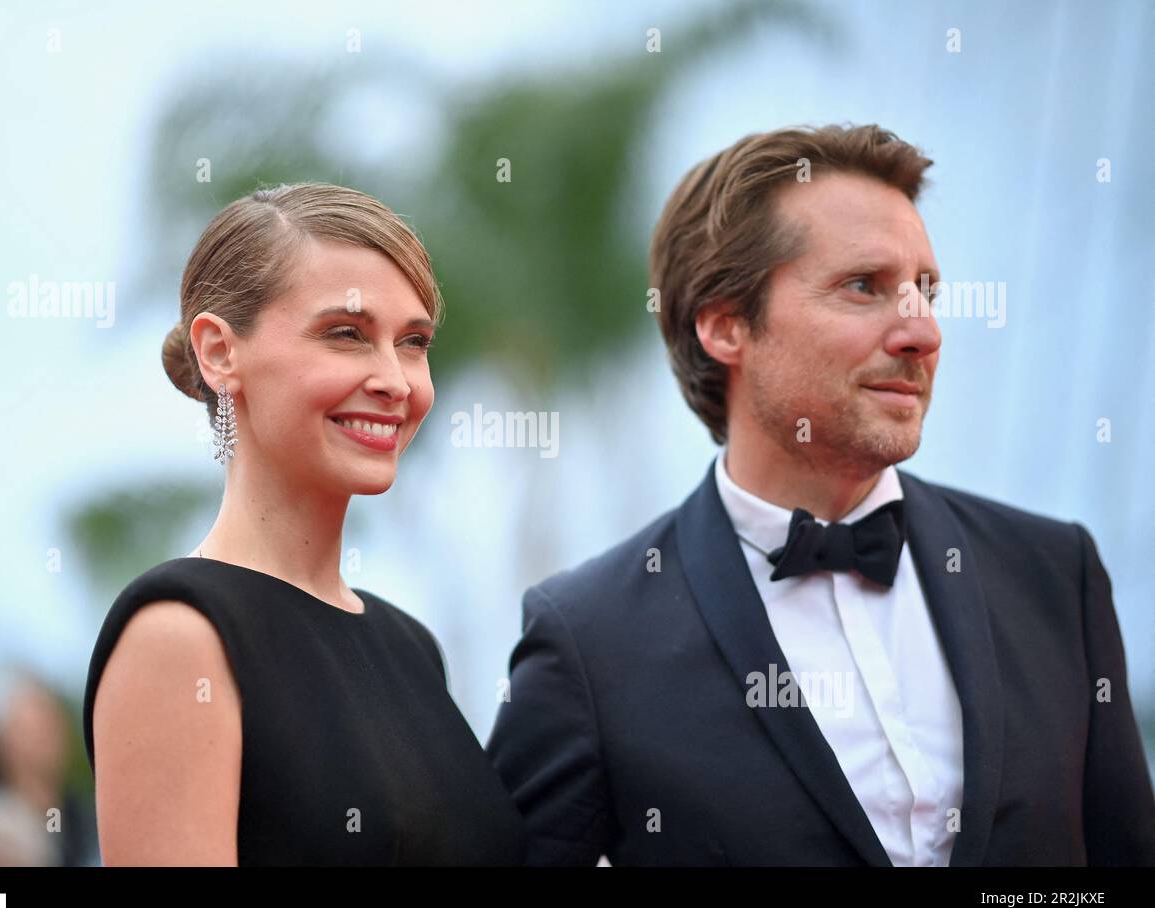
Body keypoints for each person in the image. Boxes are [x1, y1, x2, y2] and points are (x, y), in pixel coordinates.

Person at [486, 123, 1155, 866]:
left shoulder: (1054, 573)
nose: (922, 331)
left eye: (925, 291)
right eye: (864, 287)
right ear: (724, 324)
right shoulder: (587, 640)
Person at [83, 183, 524, 865]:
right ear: (219, 352)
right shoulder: (179, 638)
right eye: (345, 334)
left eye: (413, 342)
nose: (395, 380)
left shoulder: (410, 647)